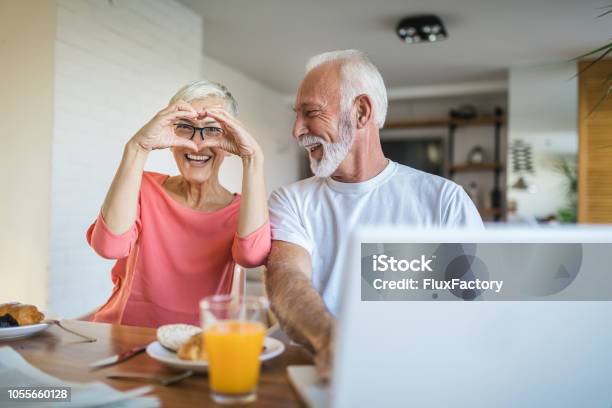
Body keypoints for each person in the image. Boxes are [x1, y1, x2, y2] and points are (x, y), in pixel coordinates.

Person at [265, 50, 484, 378]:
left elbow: (475, 303)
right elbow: (286, 278)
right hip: (315, 370)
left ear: (361, 112)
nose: (297, 130)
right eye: (296, 115)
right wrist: (331, 341)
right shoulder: (291, 199)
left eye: (310, 113)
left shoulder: (444, 200)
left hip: (413, 372)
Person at [86, 80, 270, 328]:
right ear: (171, 136)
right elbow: (109, 247)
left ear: (229, 141)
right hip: (125, 339)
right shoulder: (143, 187)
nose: (198, 143)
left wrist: (252, 157)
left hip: (202, 348)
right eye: (185, 127)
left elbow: (251, 256)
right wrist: (137, 147)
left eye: (213, 130)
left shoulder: (241, 211)